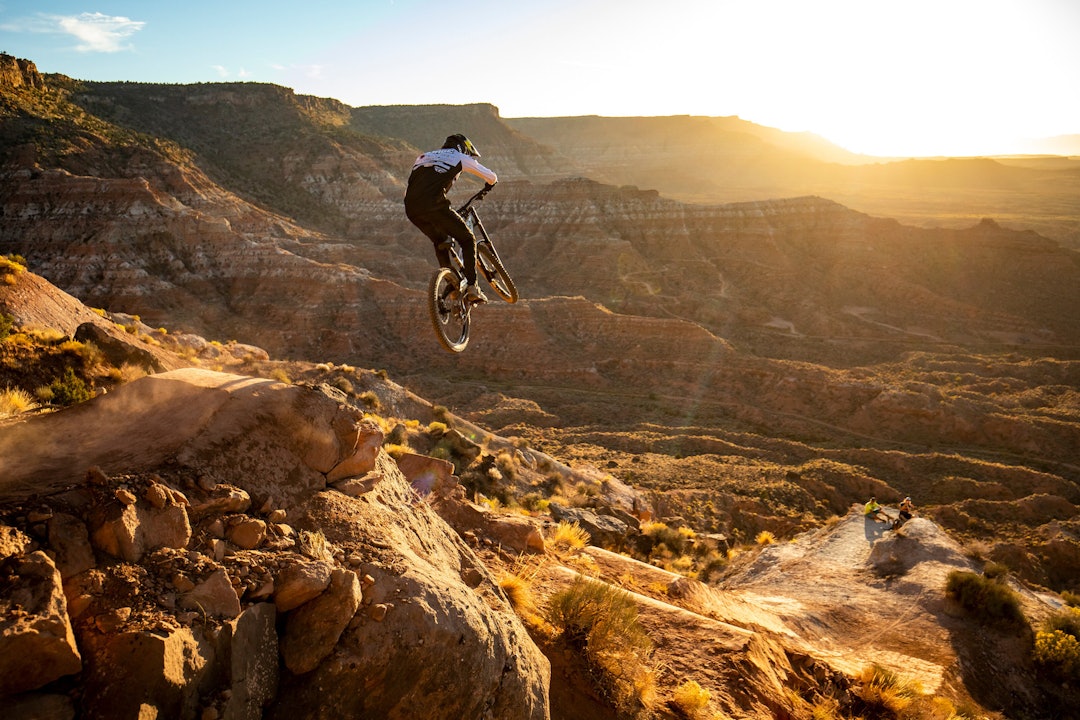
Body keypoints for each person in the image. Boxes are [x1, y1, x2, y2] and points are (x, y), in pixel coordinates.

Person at [404, 134, 498, 304]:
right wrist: (489, 185)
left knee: (440, 241)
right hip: (435, 206)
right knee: (467, 239)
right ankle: (473, 287)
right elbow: (491, 177)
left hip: (412, 209)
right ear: (463, 148)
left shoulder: (423, 157)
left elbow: (418, 184)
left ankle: (451, 283)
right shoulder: (459, 157)